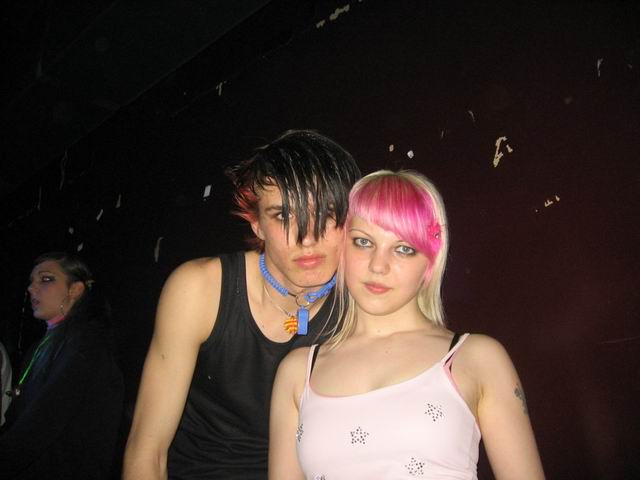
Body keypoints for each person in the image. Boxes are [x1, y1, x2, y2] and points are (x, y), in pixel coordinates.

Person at [269, 170, 545, 479]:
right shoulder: (297, 371)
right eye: (363, 242)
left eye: (403, 248)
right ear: (342, 247)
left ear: (430, 260)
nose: (378, 265)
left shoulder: (476, 358)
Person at [123, 130, 361, 479]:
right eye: (284, 216)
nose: (308, 237)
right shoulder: (199, 290)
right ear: (256, 224)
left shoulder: (363, 306)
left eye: (325, 212)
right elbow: (147, 450)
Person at [0, 252, 124, 479]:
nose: (31, 288)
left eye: (46, 279)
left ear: (74, 290)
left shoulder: (87, 344)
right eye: (31, 281)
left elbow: (42, 423)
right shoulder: (41, 346)